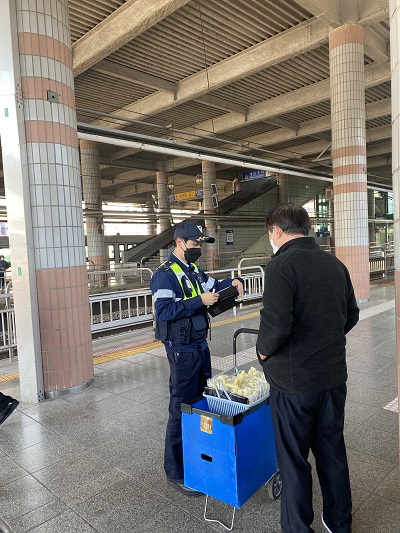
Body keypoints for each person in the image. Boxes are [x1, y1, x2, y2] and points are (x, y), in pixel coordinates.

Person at [256, 203, 359, 533]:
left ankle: (299, 528)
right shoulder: (334, 264)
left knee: (293, 462)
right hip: (332, 378)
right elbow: (352, 314)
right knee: (332, 453)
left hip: (293, 385)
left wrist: (262, 352)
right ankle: (339, 523)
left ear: (277, 231)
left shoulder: (280, 267)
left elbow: (276, 327)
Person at [150, 221, 244, 496]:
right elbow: (164, 311)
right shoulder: (164, 275)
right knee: (181, 406)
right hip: (181, 350)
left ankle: (196, 457)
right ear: (180, 243)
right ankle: (176, 470)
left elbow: (214, 285)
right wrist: (198, 302)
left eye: (200, 244)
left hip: (199, 346)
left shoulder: (193, 271)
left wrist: (232, 283)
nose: (198, 249)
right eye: (194, 244)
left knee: (200, 403)